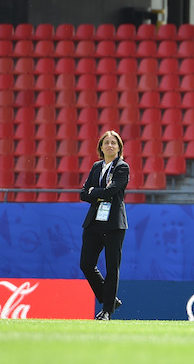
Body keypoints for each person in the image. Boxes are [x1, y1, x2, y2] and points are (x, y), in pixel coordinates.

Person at [79, 130, 129, 321]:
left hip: (114, 223)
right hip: (94, 222)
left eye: (113, 143)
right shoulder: (96, 166)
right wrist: (99, 192)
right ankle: (109, 299)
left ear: (119, 147)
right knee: (86, 263)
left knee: (111, 267)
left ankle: (107, 311)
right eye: (106, 143)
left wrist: (95, 192)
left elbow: (112, 191)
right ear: (101, 147)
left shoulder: (122, 167)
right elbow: (83, 193)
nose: (110, 145)